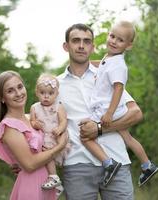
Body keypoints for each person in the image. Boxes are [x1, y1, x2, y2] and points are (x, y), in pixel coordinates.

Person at [58, 23, 143, 199]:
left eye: (87, 41)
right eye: (76, 41)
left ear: (93, 46)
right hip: (77, 166)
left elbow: (135, 113)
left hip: (117, 160)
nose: (81, 46)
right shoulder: (56, 85)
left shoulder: (107, 73)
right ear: (66, 46)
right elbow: (43, 123)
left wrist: (99, 129)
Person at [83, 21, 158, 187]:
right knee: (128, 138)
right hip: (112, 109)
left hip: (108, 109)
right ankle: (147, 165)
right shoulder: (110, 57)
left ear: (129, 45)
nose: (113, 41)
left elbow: (118, 89)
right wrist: (87, 64)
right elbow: (101, 66)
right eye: (112, 36)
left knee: (86, 135)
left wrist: (109, 113)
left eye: (120, 40)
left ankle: (109, 164)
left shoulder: (118, 65)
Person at [0, 70, 68, 200]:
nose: (18, 93)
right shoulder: (10, 127)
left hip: (46, 182)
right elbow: (30, 164)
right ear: (2, 98)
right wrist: (59, 147)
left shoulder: (30, 118)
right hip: (31, 186)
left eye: (20, 87)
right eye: (10, 91)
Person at [30, 73, 70, 194]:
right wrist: (34, 123)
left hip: (55, 137)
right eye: (42, 93)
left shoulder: (59, 106)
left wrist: (60, 128)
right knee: (43, 161)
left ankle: (54, 177)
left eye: (50, 93)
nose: (46, 97)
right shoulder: (34, 107)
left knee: (48, 155)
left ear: (56, 94)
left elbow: (64, 121)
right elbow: (32, 120)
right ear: (37, 92)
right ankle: (55, 185)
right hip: (42, 137)